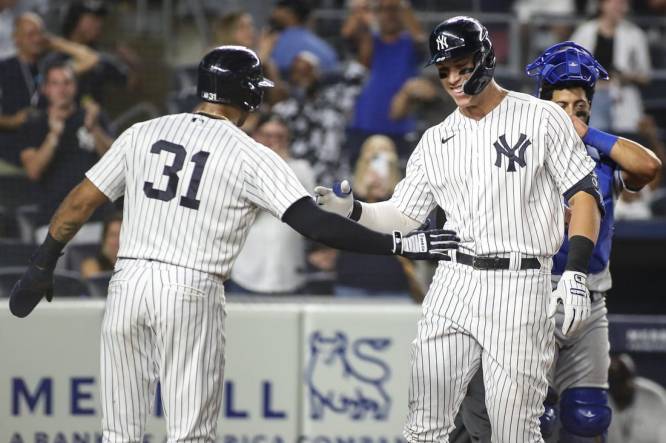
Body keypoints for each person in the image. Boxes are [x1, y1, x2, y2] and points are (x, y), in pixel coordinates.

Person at [7, 45, 459, 441]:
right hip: (189, 288)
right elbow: (315, 225)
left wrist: (42, 263)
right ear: (245, 93)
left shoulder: (143, 132)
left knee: (119, 433)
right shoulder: (249, 153)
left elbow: (79, 203)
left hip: (127, 284)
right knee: (189, 435)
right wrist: (398, 244)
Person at [315, 17, 604, 442]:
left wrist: (576, 270)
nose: (452, 78)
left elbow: (584, 197)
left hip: (520, 284)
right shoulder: (436, 139)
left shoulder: (542, 117)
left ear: (486, 59)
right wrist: (355, 209)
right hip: (453, 281)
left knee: (515, 430)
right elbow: (404, 214)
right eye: (444, 69)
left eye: (462, 66)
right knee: (424, 426)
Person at [457, 41, 662, 443]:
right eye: (562, 106)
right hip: (531, 299)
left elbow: (649, 167)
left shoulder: (600, 156)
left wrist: (589, 132)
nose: (571, 115)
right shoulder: (520, 151)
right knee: (527, 419)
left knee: (588, 419)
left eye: (580, 107)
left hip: (590, 302)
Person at [18, 60, 113, 227]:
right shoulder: (34, 123)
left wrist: (94, 128)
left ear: (75, 87)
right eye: (55, 83)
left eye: (67, 83)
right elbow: (33, 170)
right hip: (53, 218)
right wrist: (53, 134)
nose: (62, 89)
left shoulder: (93, 116)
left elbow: (114, 161)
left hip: (94, 217)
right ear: (45, 89)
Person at [228, 113, 315, 294]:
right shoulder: (240, 166)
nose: (274, 142)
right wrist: (270, 163)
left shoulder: (301, 168)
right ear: (256, 137)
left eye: (280, 137)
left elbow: (309, 210)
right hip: (247, 272)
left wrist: (281, 164)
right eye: (268, 136)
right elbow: (256, 203)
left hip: (289, 272)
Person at [0, 12, 99, 164]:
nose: (37, 39)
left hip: (48, 148)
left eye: (40, 33)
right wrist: (12, 121)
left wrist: (56, 42)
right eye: (30, 34)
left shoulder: (52, 67)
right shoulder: (4, 68)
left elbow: (90, 58)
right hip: (12, 149)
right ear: (16, 38)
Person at [343, 0, 427, 160]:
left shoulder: (409, 43)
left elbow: (420, 39)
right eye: (382, 10)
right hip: (365, 124)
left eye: (392, 10)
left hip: (399, 126)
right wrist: (360, 9)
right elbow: (348, 35)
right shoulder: (369, 41)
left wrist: (402, 5)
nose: (388, 15)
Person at [570, 0, 651, 134]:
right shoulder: (585, 31)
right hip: (592, 95)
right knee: (595, 141)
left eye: (623, 4)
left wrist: (627, 76)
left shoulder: (635, 34)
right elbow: (569, 65)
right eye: (616, 3)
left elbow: (645, 76)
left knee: (625, 141)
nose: (620, 7)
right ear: (602, 5)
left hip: (622, 96)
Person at [268, 0, 339, 75]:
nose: (273, 13)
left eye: (278, 8)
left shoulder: (276, 44)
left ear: (289, 13)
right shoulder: (325, 48)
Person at [607, 354, 666, 443]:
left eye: (622, 381)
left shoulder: (656, 399)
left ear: (632, 381)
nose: (619, 388)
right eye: (614, 383)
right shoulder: (598, 402)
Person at [80, 210, 122, 278]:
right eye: (113, 235)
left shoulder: (137, 265)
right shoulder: (92, 265)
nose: (117, 240)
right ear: (104, 239)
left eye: (121, 234)